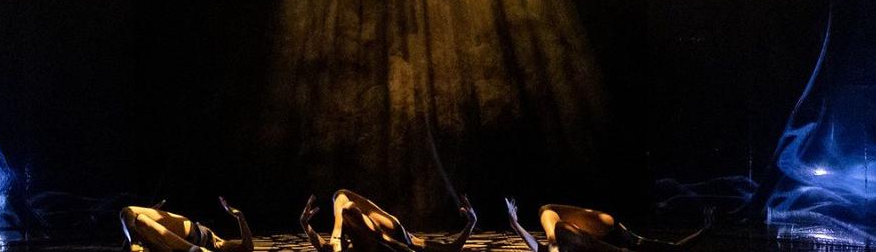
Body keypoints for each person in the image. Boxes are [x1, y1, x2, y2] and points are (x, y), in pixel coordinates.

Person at [505, 199, 711, 252]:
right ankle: (555, 245)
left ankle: (555, 245)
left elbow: (535, 246)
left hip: (599, 232)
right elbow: (676, 248)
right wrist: (705, 231)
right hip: (610, 234)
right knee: (559, 232)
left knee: (547, 211)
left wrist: (515, 223)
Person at [301, 190, 477, 252]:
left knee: (341, 201)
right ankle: (378, 238)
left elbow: (323, 246)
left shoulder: (348, 247)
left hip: (381, 236)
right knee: (344, 206)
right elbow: (453, 248)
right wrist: (471, 223)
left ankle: (339, 236)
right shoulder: (405, 241)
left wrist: (305, 225)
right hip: (393, 236)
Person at [122, 196, 253, 252]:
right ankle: (133, 241)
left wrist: (239, 216)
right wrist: (239, 216)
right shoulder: (224, 244)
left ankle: (133, 241)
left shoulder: (225, 247)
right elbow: (248, 247)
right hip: (190, 238)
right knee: (138, 219)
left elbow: (248, 247)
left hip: (193, 234)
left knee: (128, 212)